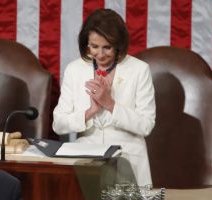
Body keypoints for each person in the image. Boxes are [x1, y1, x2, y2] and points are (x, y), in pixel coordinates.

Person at [52, 9, 156, 186]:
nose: (100, 54)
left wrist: (110, 104)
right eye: (94, 47)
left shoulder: (139, 70)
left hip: (127, 160)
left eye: (107, 47)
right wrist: (90, 112)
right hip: (86, 161)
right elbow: (59, 124)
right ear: (87, 44)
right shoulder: (74, 69)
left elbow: (146, 125)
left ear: (119, 45)